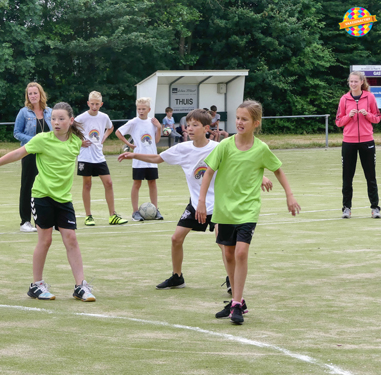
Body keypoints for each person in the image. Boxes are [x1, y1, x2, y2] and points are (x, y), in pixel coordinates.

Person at [118, 109, 272, 291]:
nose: (190, 128)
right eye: (188, 125)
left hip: (219, 204)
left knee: (223, 245)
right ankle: (177, 277)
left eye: (195, 125)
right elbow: (158, 158)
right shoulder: (183, 148)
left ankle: (232, 280)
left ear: (206, 128)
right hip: (195, 203)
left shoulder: (218, 147)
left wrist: (260, 177)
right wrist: (134, 155)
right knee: (176, 238)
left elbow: (240, 163)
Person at [0, 102, 95, 302]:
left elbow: (79, 142)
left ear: (71, 120)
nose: (56, 123)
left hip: (64, 199)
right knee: (45, 240)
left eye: (61, 119)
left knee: (71, 240)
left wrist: (86, 142)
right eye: (53, 119)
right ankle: (36, 285)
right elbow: (17, 153)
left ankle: (80, 287)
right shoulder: (41, 139)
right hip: (41, 196)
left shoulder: (76, 141)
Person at [196, 100, 301, 324]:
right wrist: (202, 202)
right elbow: (208, 173)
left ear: (256, 123)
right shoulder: (225, 145)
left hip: (248, 210)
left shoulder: (261, 149)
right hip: (225, 211)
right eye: (238, 118)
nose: (239, 122)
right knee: (228, 254)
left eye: (245, 119)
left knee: (241, 253)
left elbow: (279, 171)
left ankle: (235, 304)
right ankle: (238, 300)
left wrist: (289, 195)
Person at [76, 91, 127, 226]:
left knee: (108, 183)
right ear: (88, 103)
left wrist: (104, 137)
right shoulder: (81, 117)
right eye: (92, 104)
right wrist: (80, 142)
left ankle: (113, 215)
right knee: (87, 185)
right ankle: (88, 216)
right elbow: (70, 129)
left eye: (97, 104)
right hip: (85, 156)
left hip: (99, 156)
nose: (94, 106)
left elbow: (110, 128)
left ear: (101, 104)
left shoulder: (104, 117)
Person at [335, 71, 381, 219]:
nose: (353, 84)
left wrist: (367, 114)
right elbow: (338, 122)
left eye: (356, 81)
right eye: (351, 81)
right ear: (349, 82)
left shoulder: (370, 97)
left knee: (371, 177)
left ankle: (375, 208)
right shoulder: (344, 99)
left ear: (362, 82)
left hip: (367, 142)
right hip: (349, 142)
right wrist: (348, 117)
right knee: (347, 177)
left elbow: (377, 119)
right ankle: (346, 208)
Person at [115, 97, 163, 221]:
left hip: (152, 158)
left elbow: (156, 141)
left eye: (143, 109)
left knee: (152, 183)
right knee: (137, 183)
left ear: (149, 110)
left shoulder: (153, 122)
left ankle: (155, 209)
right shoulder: (134, 122)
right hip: (138, 160)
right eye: (139, 109)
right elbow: (118, 132)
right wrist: (129, 144)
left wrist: (159, 128)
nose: (141, 111)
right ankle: (135, 211)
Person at [13, 82, 52, 232]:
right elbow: (17, 133)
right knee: (28, 185)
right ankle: (25, 221)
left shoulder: (49, 111)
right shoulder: (24, 112)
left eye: (35, 93)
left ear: (41, 94)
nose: (33, 96)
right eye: (30, 94)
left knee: (46, 185)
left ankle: (44, 219)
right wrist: (35, 141)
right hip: (29, 152)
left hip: (47, 154)